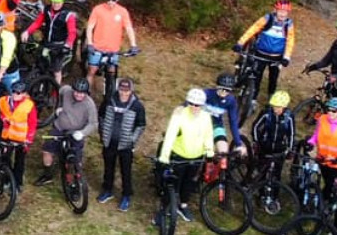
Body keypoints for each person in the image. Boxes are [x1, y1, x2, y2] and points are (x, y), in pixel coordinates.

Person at [156, 89, 217, 221]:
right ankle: (162, 210)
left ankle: (183, 206)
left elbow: (208, 135)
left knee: (188, 183)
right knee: (172, 184)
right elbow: (170, 136)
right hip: (179, 156)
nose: (195, 107)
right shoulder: (179, 115)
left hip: (196, 157)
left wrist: (210, 152)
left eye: (198, 105)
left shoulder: (206, 117)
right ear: (187, 102)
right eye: (192, 104)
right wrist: (164, 156)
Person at [97, 78, 147, 212]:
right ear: (118, 89)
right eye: (122, 90)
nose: (124, 93)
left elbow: (141, 125)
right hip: (109, 142)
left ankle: (126, 195)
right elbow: (100, 117)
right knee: (108, 168)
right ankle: (107, 189)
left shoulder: (137, 106)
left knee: (126, 171)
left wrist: (132, 140)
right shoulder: (108, 101)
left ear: (131, 91)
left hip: (125, 145)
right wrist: (103, 134)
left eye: (127, 91)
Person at [37, 81, 96, 186]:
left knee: (74, 161)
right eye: (76, 92)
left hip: (75, 133)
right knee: (47, 151)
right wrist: (58, 107)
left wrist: (82, 133)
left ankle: (73, 183)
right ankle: (47, 175)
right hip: (59, 127)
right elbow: (59, 92)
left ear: (86, 93)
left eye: (82, 93)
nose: (78, 95)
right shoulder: (66, 90)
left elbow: (93, 123)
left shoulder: (89, 105)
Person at [237, 0, 296, 98]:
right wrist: (240, 43)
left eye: (285, 12)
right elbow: (253, 29)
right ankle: (253, 98)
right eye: (280, 11)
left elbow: (290, 41)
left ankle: (270, 98)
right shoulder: (267, 19)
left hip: (276, 57)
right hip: (260, 53)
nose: (282, 14)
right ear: (275, 10)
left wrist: (286, 57)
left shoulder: (288, 24)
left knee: (273, 78)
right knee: (257, 77)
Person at [83, 0, 139, 87]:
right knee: (92, 70)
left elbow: (129, 28)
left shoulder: (122, 11)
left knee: (112, 70)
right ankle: (86, 93)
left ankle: (109, 93)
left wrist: (133, 45)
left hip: (113, 49)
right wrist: (90, 43)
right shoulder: (98, 9)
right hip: (97, 47)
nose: (110, 2)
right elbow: (90, 27)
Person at [25, 0, 82, 84]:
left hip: (59, 45)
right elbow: (38, 23)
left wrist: (68, 45)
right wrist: (27, 31)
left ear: (63, 2)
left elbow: (72, 32)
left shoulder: (68, 15)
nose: (55, 4)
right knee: (41, 62)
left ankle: (56, 91)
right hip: (47, 42)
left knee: (56, 71)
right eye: (54, 2)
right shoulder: (46, 10)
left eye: (58, 2)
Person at [249, 90, 298, 204]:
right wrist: (256, 142)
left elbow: (291, 134)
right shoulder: (267, 113)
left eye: (278, 107)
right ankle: (261, 195)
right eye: (274, 107)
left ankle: (275, 197)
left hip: (279, 149)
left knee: (277, 174)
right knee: (262, 171)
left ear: (284, 107)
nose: (276, 109)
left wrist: (290, 149)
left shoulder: (289, 117)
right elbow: (255, 127)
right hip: (265, 147)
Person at [0, 76, 38, 191]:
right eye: (13, 92)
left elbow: (32, 123)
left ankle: (17, 183)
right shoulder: (4, 101)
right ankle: (7, 179)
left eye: (18, 93)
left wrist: (29, 139)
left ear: (24, 94)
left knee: (20, 161)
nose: (15, 95)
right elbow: (1, 113)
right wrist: (4, 119)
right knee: (5, 158)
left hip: (21, 138)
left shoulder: (29, 105)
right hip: (7, 135)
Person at [204, 72, 247, 164]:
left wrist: (238, 144)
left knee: (223, 152)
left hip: (216, 125)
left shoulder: (231, 101)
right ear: (217, 86)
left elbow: (233, 122)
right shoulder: (206, 94)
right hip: (201, 125)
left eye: (227, 90)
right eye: (221, 89)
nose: (224, 92)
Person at [307, 97, 337, 172]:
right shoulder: (322, 119)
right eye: (328, 110)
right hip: (321, 159)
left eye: (333, 111)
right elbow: (316, 135)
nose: (330, 113)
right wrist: (310, 143)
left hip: (336, 163)